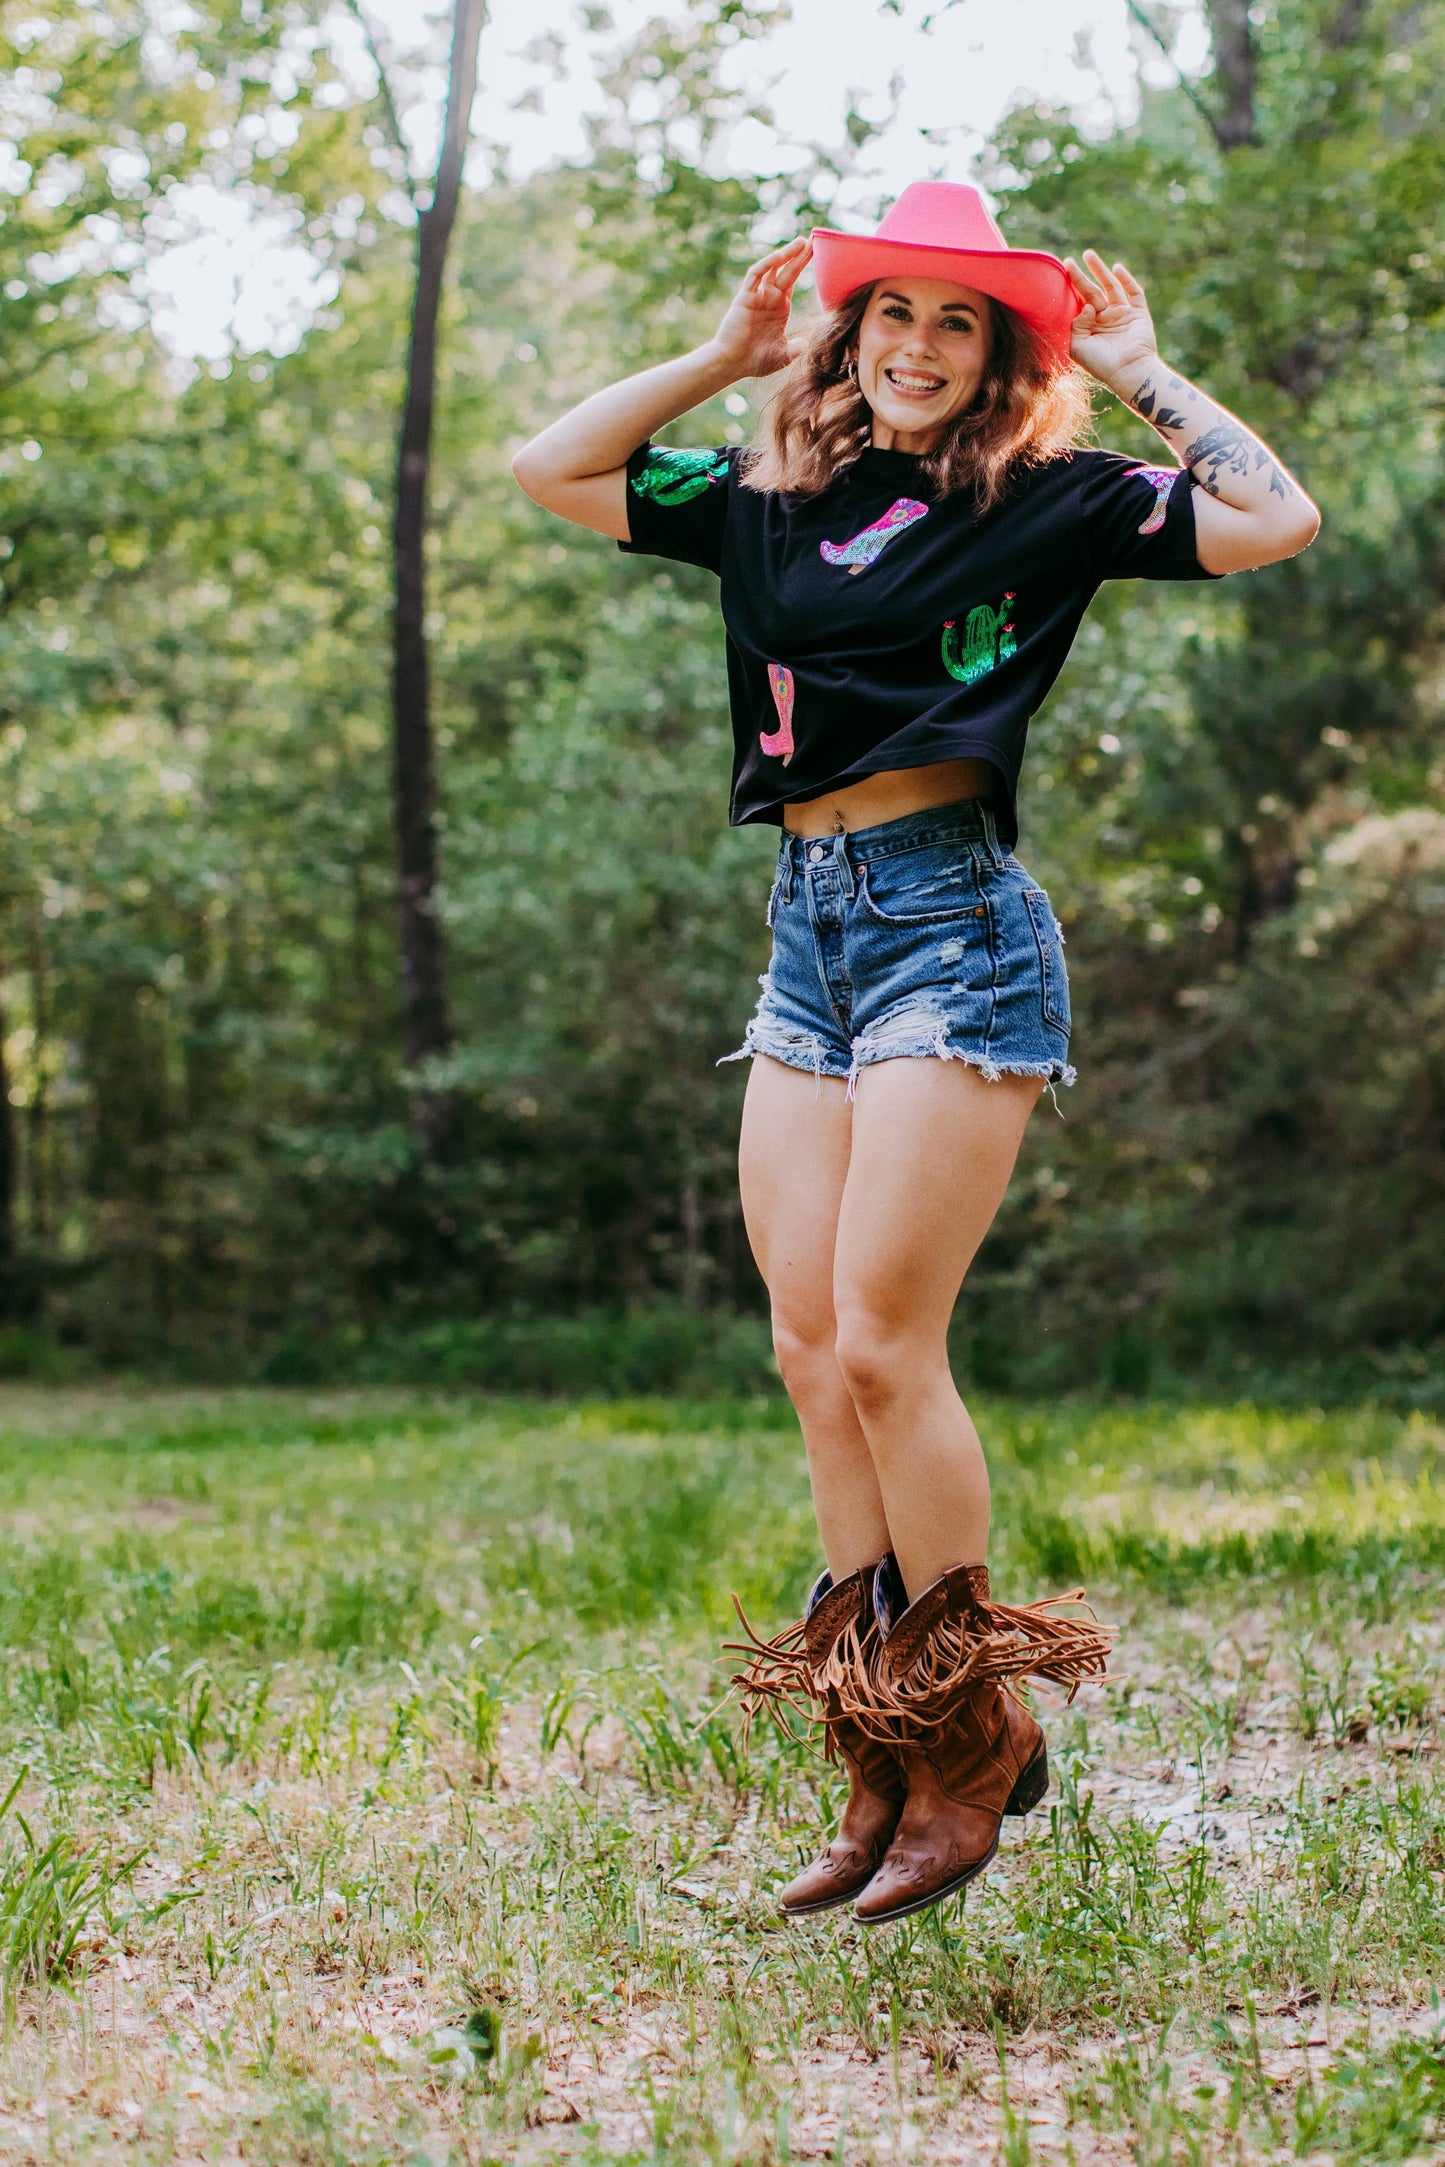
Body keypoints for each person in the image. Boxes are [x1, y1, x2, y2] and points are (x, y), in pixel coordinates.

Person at [512, 182, 1319, 1926]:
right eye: (895, 315)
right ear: (850, 333)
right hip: (806, 930)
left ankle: (966, 1742)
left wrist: (1149, 371)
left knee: (887, 1341)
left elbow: (1277, 517)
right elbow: (550, 469)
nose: (919, 347)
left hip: (952, 930)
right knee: (809, 1354)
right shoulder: (767, 503)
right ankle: (876, 1750)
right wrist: (724, 354)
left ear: (998, 356)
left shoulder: (1056, 502)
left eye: (960, 324)